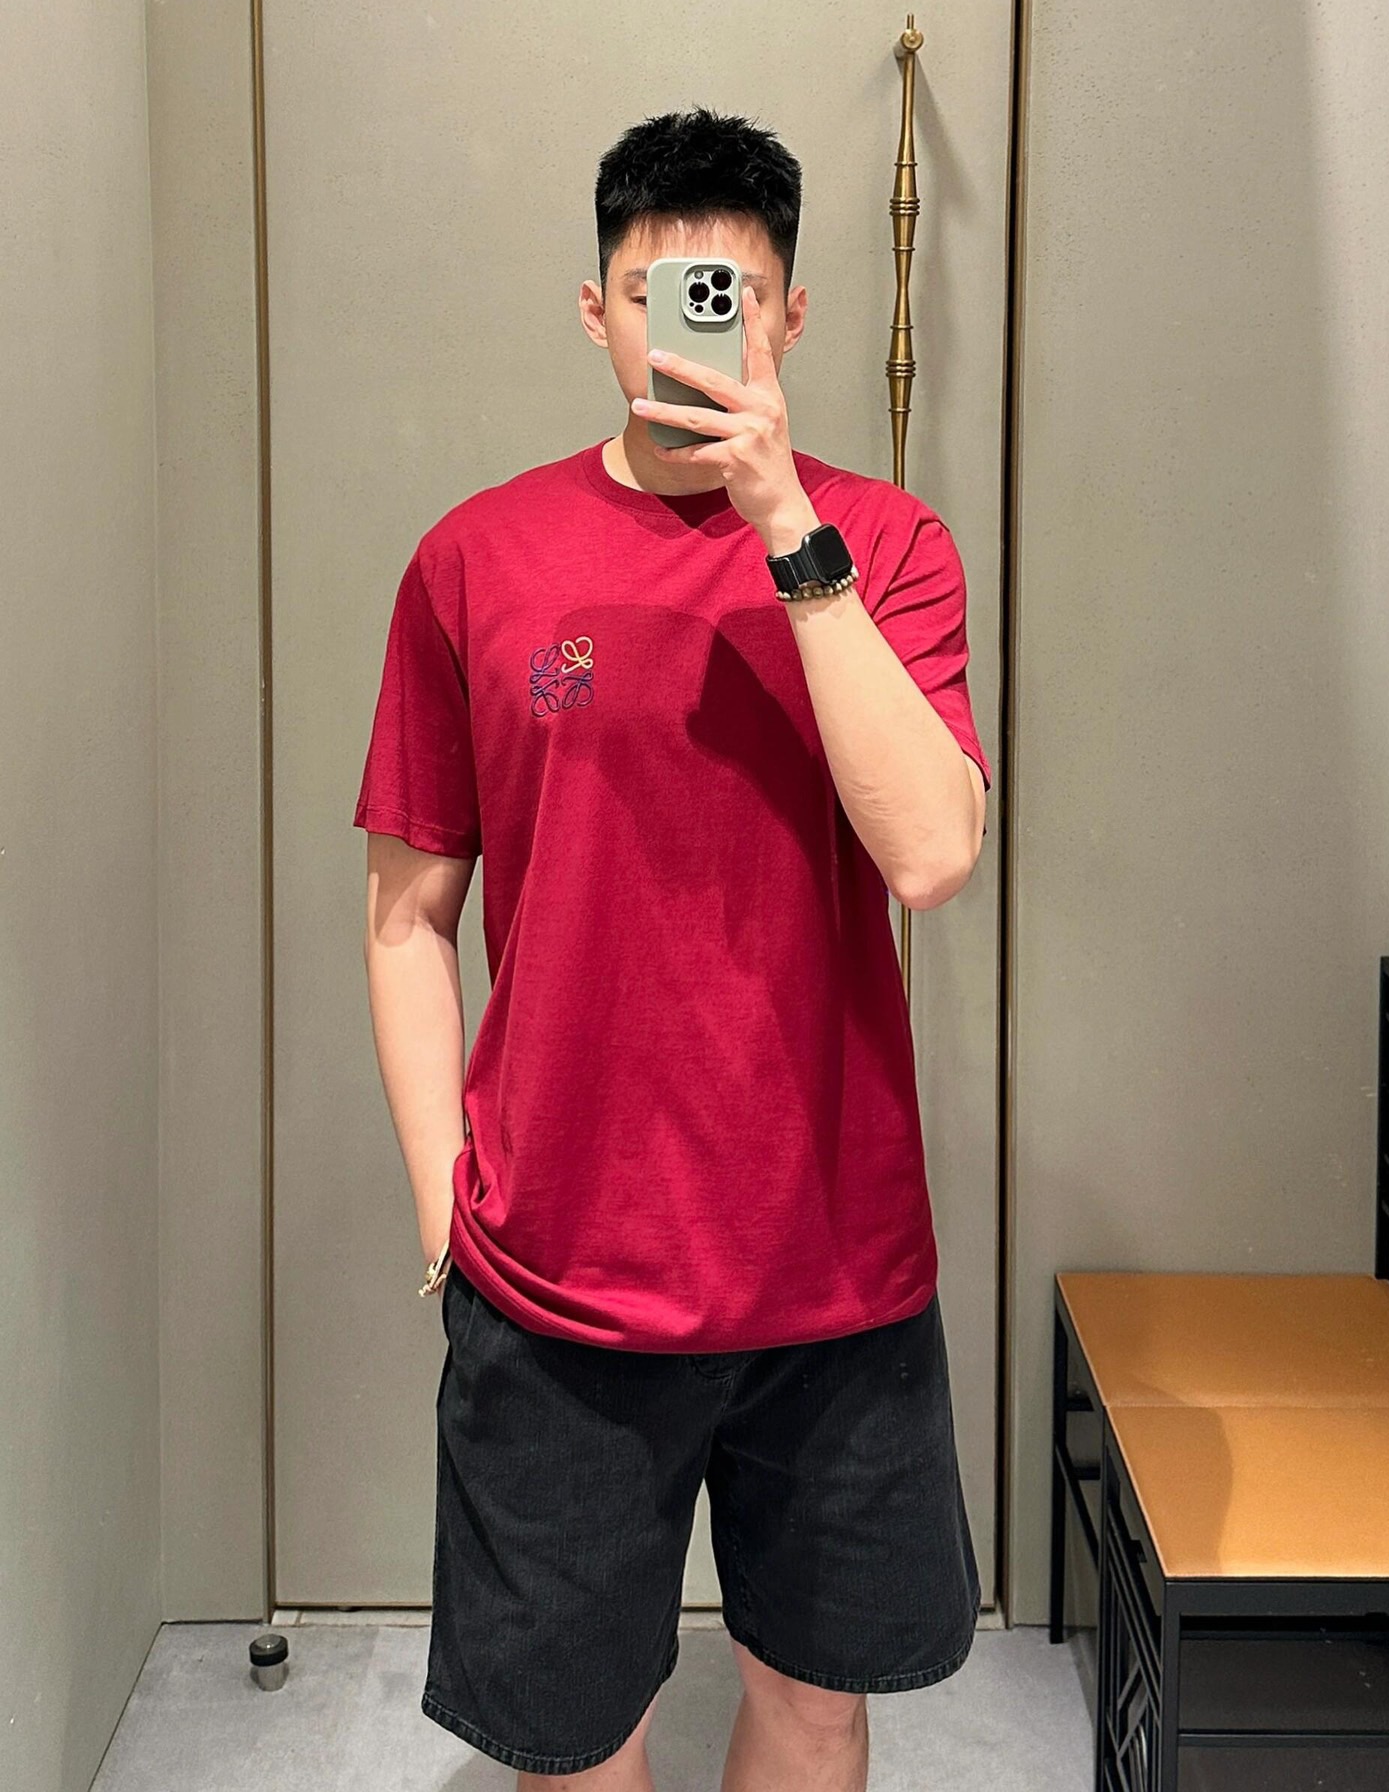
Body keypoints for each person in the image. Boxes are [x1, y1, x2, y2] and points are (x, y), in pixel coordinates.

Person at [354, 105, 991, 1790]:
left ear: (791, 316)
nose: (692, 331)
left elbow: (932, 854)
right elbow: (408, 915)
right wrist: (441, 1204)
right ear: (597, 312)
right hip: (556, 1274)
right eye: (655, 296)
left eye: (734, 297)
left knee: (819, 1701)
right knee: (576, 1741)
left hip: (836, 1271)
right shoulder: (475, 561)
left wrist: (787, 527)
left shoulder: (887, 547)